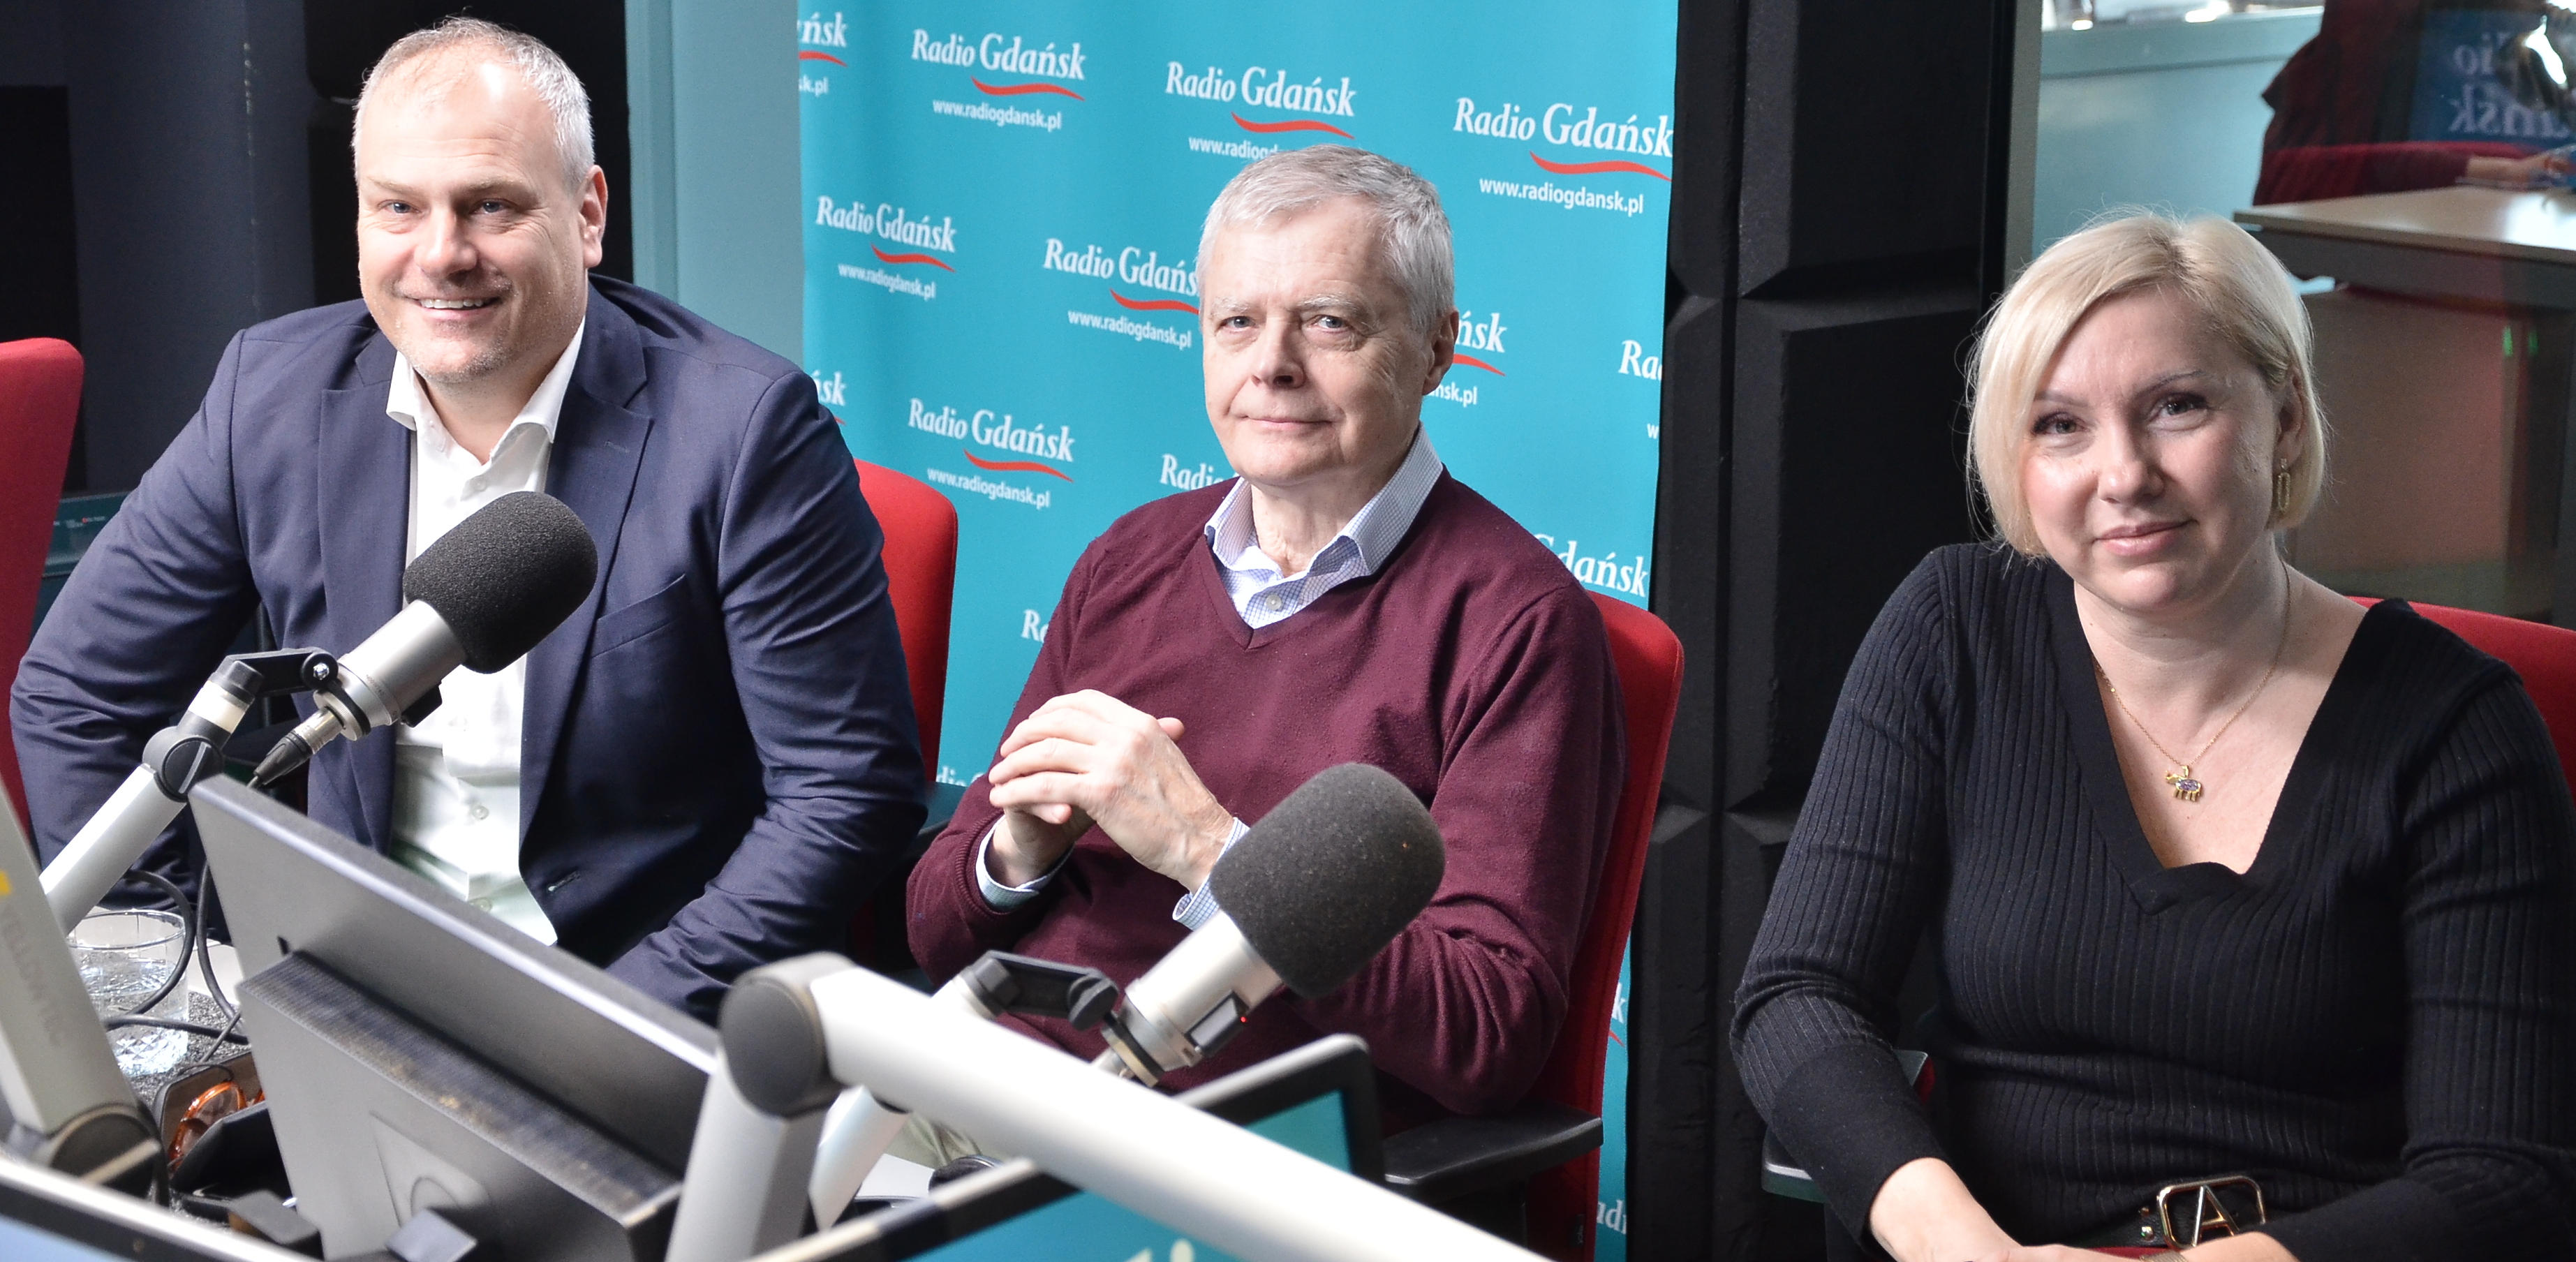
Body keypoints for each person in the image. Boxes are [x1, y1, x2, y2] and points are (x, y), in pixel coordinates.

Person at [10, 18, 925, 1023]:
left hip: (636, 1003)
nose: (441, 255)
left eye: (489, 206)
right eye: (398, 207)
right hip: (347, 1005)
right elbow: (76, 698)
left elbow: (843, 795)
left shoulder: (745, 431)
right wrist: (182, 988)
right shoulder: (266, 395)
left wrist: (590, 1036)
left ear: (586, 214)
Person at [1731, 212, 2576, 1261]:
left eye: (2177, 406)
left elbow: (2503, 1177)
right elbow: (1798, 998)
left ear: (2286, 421)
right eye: (2059, 425)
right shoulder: (1954, 630)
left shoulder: (2455, 730)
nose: (2123, 474)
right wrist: (1964, 1247)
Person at [905, 146, 1625, 1134]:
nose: (1271, 365)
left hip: (1239, 1168)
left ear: (1437, 348)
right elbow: (937, 930)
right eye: (1237, 322)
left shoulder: (1517, 626)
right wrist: (1017, 851)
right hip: (994, 1100)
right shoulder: (1129, 559)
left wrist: (1207, 850)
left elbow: (1488, 1034)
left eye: (1328, 323)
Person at [2256, 0, 2573, 203]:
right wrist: (2506, 172)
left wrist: (2571, 65)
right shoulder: (2418, 53)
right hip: (2424, 244)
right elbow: (2388, 161)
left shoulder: (2524, 62)